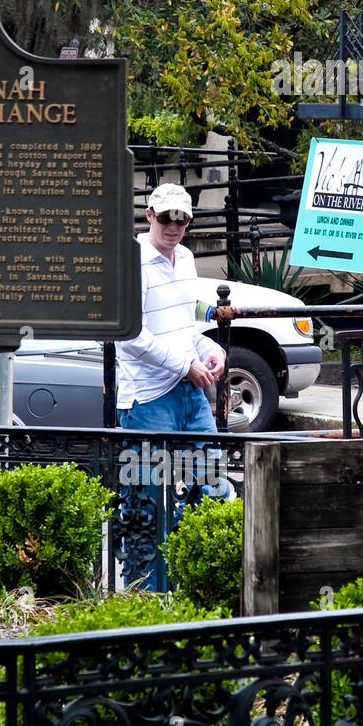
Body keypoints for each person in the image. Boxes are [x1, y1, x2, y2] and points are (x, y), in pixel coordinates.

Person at [115, 182, 229, 504]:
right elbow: (130, 336)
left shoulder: (187, 258)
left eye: (182, 220)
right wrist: (186, 365)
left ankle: (197, 555)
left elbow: (183, 327)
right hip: (149, 398)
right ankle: (141, 558)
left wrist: (210, 350)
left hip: (190, 392)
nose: (174, 226)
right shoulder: (132, 262)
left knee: (211, 488)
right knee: (146, 503)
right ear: (150, 215)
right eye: (167, 218)